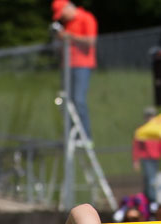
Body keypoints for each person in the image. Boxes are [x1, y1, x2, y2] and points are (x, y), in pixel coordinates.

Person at [52, 0, 98, 141]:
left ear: (68, 8)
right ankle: (70, 132)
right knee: (65, 101)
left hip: (82, 65)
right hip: (67, 66)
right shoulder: (68, 24)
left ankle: (85, 135)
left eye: (62, 14)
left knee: (78, 100)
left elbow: (91, 41)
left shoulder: (86, 18)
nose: (62, 18)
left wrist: (68, 36)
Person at [132, 107, 161, 204]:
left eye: (152, 116)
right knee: (151, 180)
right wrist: (136, 160)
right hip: (146, 158)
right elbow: (137, 146)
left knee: (151, 180)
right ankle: (152, 201)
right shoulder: (142, 130)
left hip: (155, 158)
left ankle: (148, 199)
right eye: (148, 116)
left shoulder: (157, 129)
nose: (150, 118)